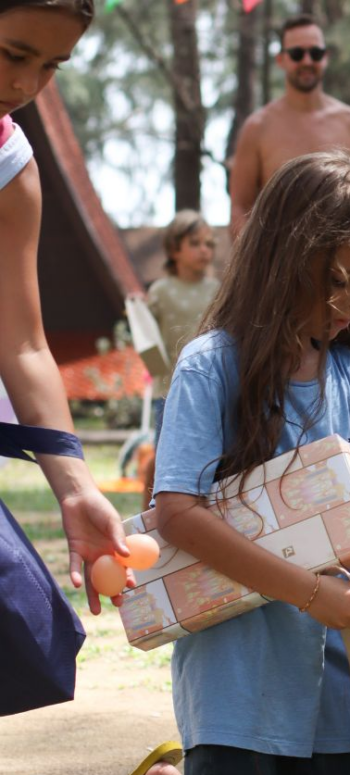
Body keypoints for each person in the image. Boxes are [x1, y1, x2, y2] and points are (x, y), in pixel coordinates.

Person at [0, 151, 350, 775]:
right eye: (340, 280)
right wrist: (312, 592)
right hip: (239, 663)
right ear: (287, 258)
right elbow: (176, 514)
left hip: (327, 674)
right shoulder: (210, 365)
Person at [0, 0, 128, 619]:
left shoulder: (9, 166)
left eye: (50, 65)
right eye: (12, 54)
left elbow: (23, 343)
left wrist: (76, 488)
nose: (24, 85)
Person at [229, 12, 350, 239]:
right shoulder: (257, 128)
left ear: (325, 57)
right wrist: (254, 265)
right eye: (297, 54)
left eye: (315, 53)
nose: (307, 61)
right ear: (281, 60)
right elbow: (240, 207)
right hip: (279, 266)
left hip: (342, 266)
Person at [141, 209, 219, 506]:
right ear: (174, 249)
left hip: (211, 388)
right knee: (164, 454)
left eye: (209, 244)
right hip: (169, 389)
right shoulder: (160, 291)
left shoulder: (216, 290)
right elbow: (145, 334)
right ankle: (153, 512)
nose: (205, 250)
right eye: (196, 243)